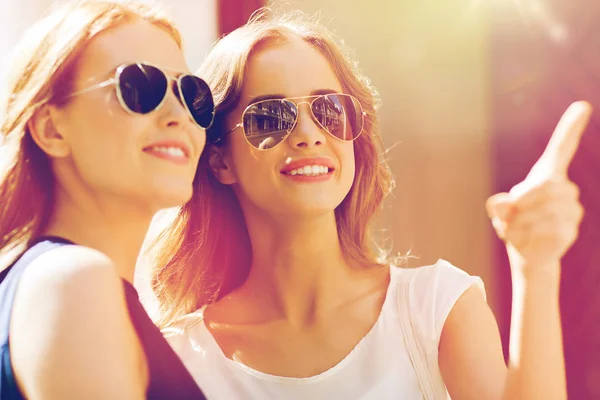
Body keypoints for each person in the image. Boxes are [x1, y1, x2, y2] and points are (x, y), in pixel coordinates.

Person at [152, 9, 591, 400]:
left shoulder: (435, 307)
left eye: (328, 110)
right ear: (219, 159)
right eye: (269, 117)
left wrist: (536, 268)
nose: (309, 134)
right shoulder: (180, 357)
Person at [0, 1, 214, 399]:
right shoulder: (74, 280)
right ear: (51, 129)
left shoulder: (57, 284)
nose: (178, 115)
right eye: (139, 87)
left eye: (191, 94)